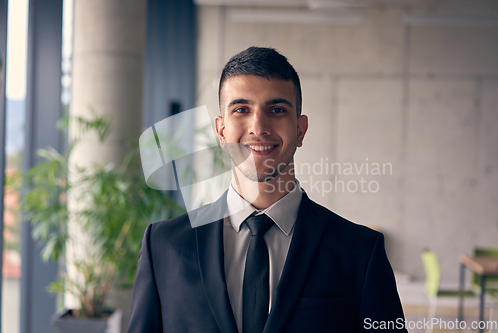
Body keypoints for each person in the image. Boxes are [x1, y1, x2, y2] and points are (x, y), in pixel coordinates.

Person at [127, 46, 407, 333]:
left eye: (276, 110)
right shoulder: (163, 246)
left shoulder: (360, 251)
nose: (258, 127)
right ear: (221, 131)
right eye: (241, 109)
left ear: (300, 130)